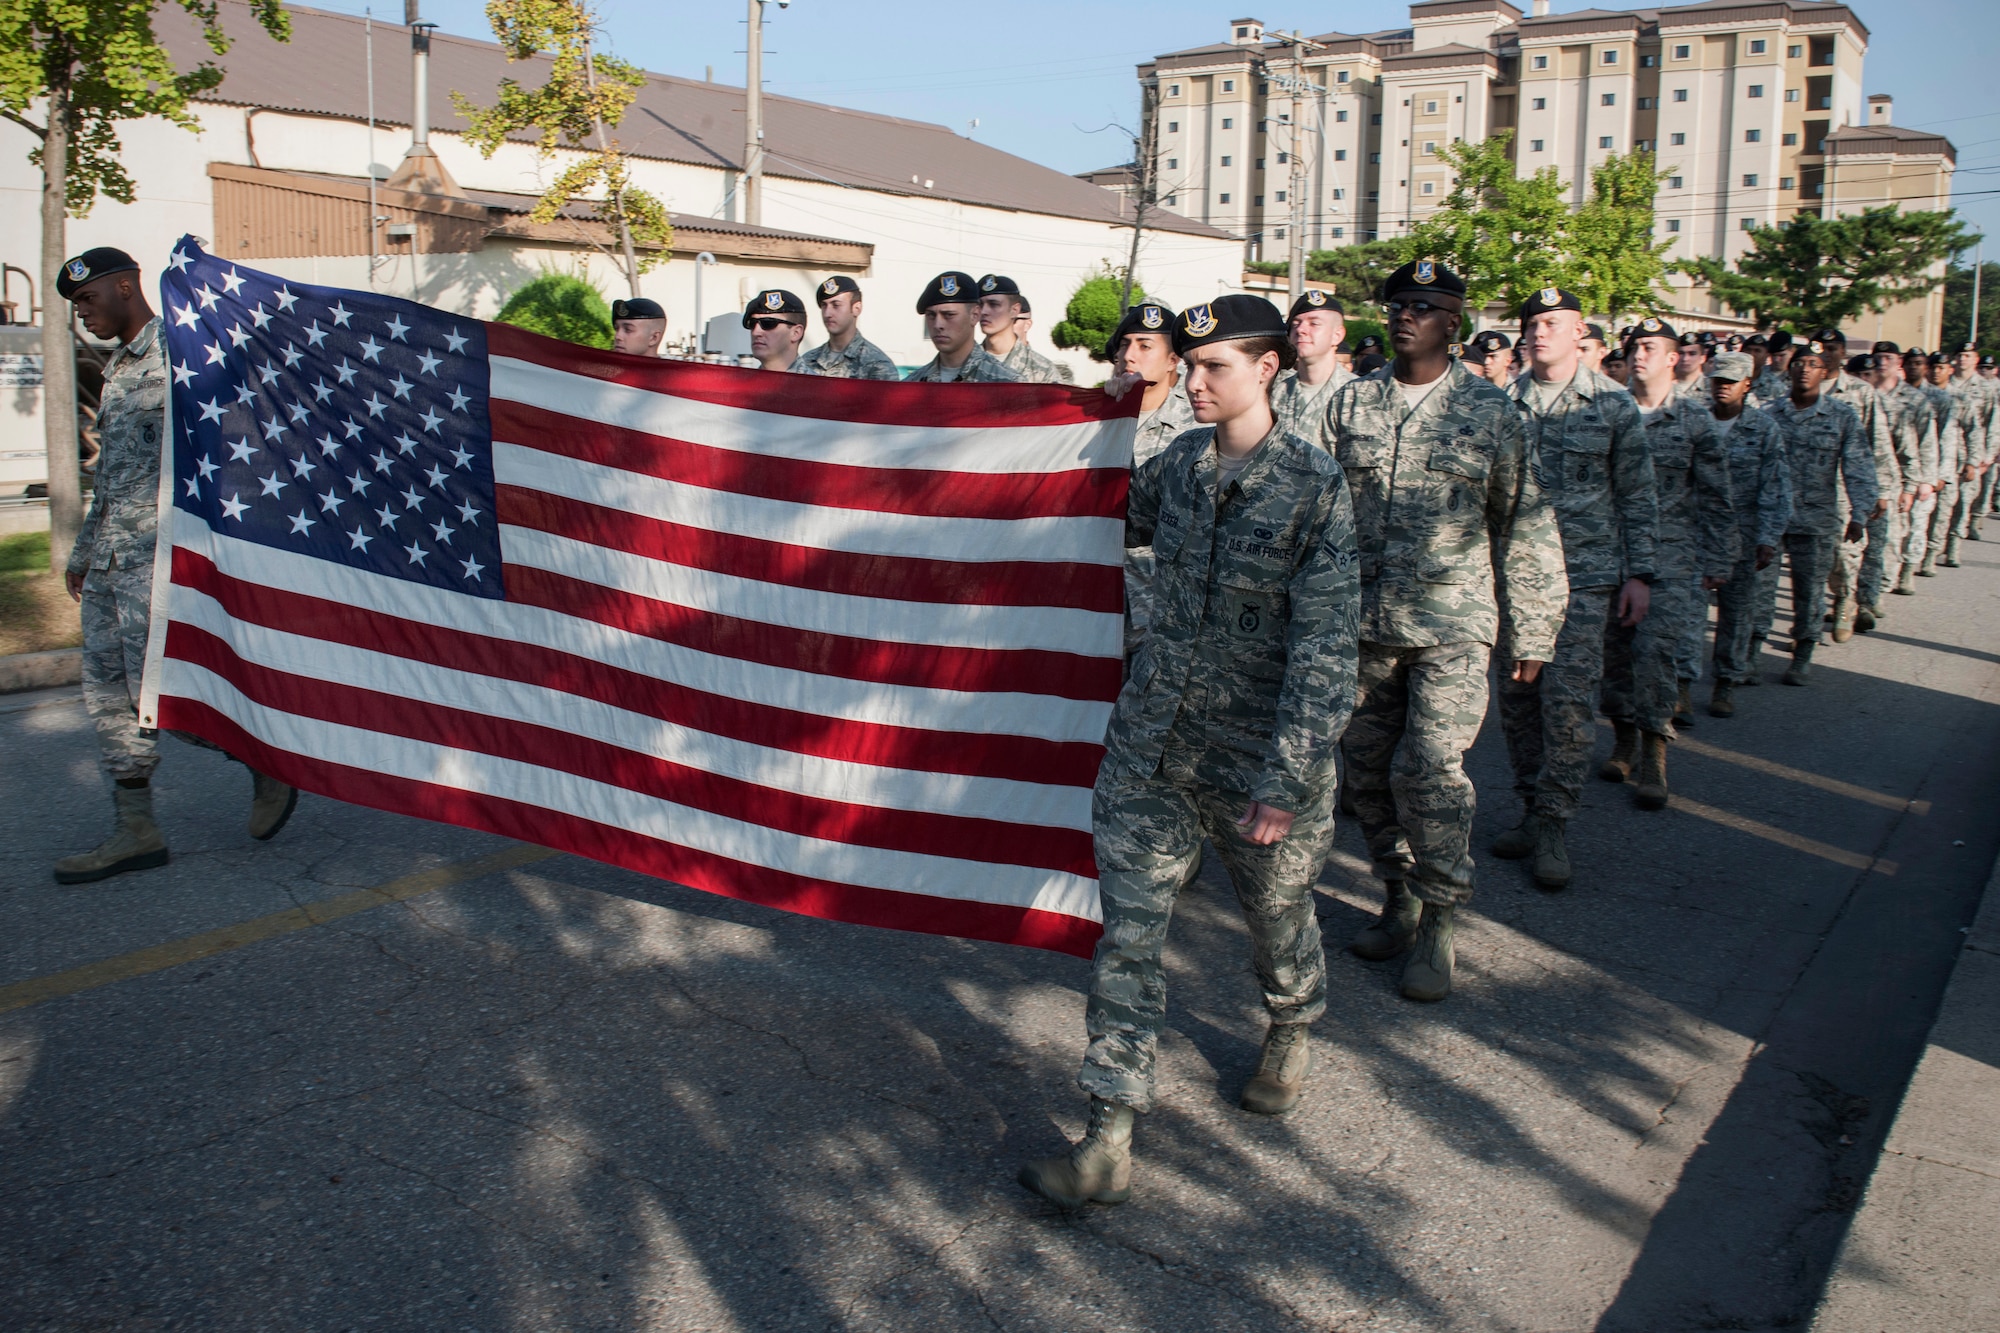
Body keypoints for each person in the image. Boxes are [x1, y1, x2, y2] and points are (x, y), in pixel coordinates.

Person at [1017, 295, 1360, 1208]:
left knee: (1276, 918)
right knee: (1127, 938)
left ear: (1267, 371)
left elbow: (1327, 652)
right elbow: (1094, 515)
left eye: (1215, 368)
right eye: (1190, 365)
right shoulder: (1175, 465)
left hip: (1256, 760)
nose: (1195, 382)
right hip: (1152, 748)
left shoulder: (1315, 485)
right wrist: (1081, 416)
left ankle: (1290, 1021)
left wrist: (1286, 781)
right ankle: (1107, 1135)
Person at [1330, 261, 1566, 999]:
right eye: (1399, 304)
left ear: (1454, 323)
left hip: (1454, 625)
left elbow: (1523, 522)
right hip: (1365, 623)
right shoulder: (1352, 405)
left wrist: (1534, 628)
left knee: (1428, 768)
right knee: (1367, 774)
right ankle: (1398, 892)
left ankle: (1439, 913)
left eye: (1426, 307)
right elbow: (1320, 511)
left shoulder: (1492, 413)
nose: (1407, 316)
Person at [53, 248, 299, 884]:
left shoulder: (183, 353)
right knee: (109, 697)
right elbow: (111, 476)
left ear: (127, 286)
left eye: (88, 299)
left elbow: (235, 446)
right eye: (77, 305)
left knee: (165, 694)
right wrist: (83, 556)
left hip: (161, 562)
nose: (83, 314)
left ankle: (263, 759)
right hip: (112, 565)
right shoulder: (115, 370)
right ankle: (136, 829)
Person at [1492, 289, 1657, 889]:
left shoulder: (1611, 405)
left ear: (1579, 331)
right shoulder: (1501, 403)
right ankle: (1529, 806)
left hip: (1586, 579)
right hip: (1513, 580)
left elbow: (1638, 494)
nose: (1540, 333)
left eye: (1553, 323)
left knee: (1568, 705)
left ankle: (1555, 821)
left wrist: (1641, 573)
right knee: (1518, 704)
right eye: (1532, 323)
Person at [1601, 318, 1735, 807]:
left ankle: (1655, 752)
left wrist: (1720, 557)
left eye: (1651, 347)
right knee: (1612, 658)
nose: (1639, 355)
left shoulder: (1694, 419)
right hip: (1611, 554)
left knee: (1655, 657)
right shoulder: (1609, 410)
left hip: (1671, 558)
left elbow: (1717, 494)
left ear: (1674, 357)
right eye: (1635, 346)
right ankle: (1623, 741)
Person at [1765, 340, 1875, 686]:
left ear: (1824, 373)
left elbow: (1858, 465)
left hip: (1816, 518)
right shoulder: (1768, 414)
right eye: (1798, 363)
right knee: (1758, 589)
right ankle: (1747, 653)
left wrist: (1860, 512)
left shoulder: (1841, 416)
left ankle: (1803, 652)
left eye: (1812, 364)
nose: (1804, 369)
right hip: (1770, 519)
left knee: (1809, 591)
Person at [1703, 352, 1791, 714]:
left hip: (1743, 535)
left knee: (1735, 614)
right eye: (1717, 380)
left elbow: (1776, 485)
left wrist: (1768, 537)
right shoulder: (1695, 421)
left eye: (1730, 381)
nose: (1722, 386)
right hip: (1698, 533)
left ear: (1747, 384)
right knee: (1689, 615)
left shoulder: (1763, 427)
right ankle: (1679, 684)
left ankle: (1725, 682)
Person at [1107, 300, 1195, 657]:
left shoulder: (1196, 427)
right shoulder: (1094, 421)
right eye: (1125, 344)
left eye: (1145, 346)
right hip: (1102, 601)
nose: (1130, 355)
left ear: (1173, 360)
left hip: (1164, 609)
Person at [1815, 331, 1901, 639]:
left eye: (1832, 349)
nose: (1825, 354)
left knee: (1844, 550)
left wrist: (1883, 491)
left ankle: (1844, 599)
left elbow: (1877, 443)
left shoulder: (1860, 392)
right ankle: (1811, 620)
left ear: (1843, 353)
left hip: (1844, 485)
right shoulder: (1798, 387)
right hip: (1804, 487)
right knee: (1814, 554)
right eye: (1820, 348)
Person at [1868, 342, 1940, 596]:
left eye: (1888, 357)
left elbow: (1926, 441)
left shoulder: (1914, 399)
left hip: (1897, 477)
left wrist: (1923, 481)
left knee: (1889, 536)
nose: (1882, 362)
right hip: (1861, 476)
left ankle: (1880, 588)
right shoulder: (1863, 393)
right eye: (1877, 357)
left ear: (1898, 362)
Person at [1269, 289, 1352, 449]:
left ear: (1337, 335)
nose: (1301, 330)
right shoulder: (1275, 391)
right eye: (1295, 324)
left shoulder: (1356, 394)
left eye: (1314, 323)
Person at [905, 272, 1018, 383]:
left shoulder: (1006, 382)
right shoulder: (913, 383)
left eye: (949, 315)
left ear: (974, 316)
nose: (938, 325)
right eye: (931, 315)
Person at [1914, 350, 1964, 578]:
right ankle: (1908, 561)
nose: (1936, 371)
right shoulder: (1909, 395)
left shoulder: (1951, 398)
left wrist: (1942, 473)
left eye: (1940, 367)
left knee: (1941, 514)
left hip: (1944, 463)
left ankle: (1931, 554)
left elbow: (1948, 438)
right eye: (1932, 367)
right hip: (1913, 465)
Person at [791, 276, 900, 380]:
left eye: (836, 305)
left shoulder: (877, 365)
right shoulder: (808, 360)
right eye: (824, 305)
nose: (828, 313)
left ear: (856, 308)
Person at [1946, 342, 1998, 543]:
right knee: (1944, 501)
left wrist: (1988, 455)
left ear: (1975, 359)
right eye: (1959, 355)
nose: (1963, 359)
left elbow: (1992, 422)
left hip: (1972, 450)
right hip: (1946, 451)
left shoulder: (1986, 387)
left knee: (1965, 499)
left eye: (1967, 355)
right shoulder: (1944, 383)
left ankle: (1954, 543)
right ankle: (1938, 541)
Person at [975, 275, 1069, 383]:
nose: (983, 311)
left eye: (994, 304)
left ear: (1014, 310)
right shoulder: (964, 364)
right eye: (980, 305)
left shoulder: (1042, 371)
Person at [742, 289, 808, 372]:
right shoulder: (741, 384)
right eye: (752, 323)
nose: (756, 332)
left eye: (768, 323)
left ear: (796, 333)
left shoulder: (817, 384)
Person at [1673, 330, 1711, 404]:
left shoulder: (1712, 387)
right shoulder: (1664, 385)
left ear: (1702, 358)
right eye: (1681, 353)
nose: (1685, 359)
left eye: (1692, 354)